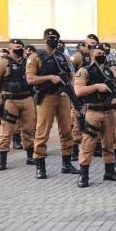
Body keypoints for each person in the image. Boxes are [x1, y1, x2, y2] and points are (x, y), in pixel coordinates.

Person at [73, 45, 116, 187]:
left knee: (110, 143)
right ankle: (84, 175)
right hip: (92, 111)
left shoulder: (110, 71)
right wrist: (96, 87)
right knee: (88, 144)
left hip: (109, 111)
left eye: (103, 53)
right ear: (91, 55)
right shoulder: (84, 71)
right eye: (98, 53)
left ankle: (109, 171)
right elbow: (78, 90)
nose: (102, 55)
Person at [26, 28, 76, 179]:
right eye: (51, 37)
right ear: (44, 39)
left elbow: (72, 74)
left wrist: (69, 87)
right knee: (42, 132)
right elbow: (30, 79)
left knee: (67, 130)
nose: (54, 40)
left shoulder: (63, 56)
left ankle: (67, 164)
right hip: (46, 97)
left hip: (62, 96)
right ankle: (40, 166)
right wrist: (49, 78)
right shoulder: (36, 57)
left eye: (56, 37)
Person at [0, 39, 36, 170]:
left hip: (27, 98)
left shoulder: (27, 61)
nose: (20, 48)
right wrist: (3, 92)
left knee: (29, 129)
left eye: (21, 46)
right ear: (10, 48)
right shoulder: (4, 62)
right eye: (17, 46)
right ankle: (2, 160)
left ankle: (30, 156)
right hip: (11, 100)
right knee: (7, 130)